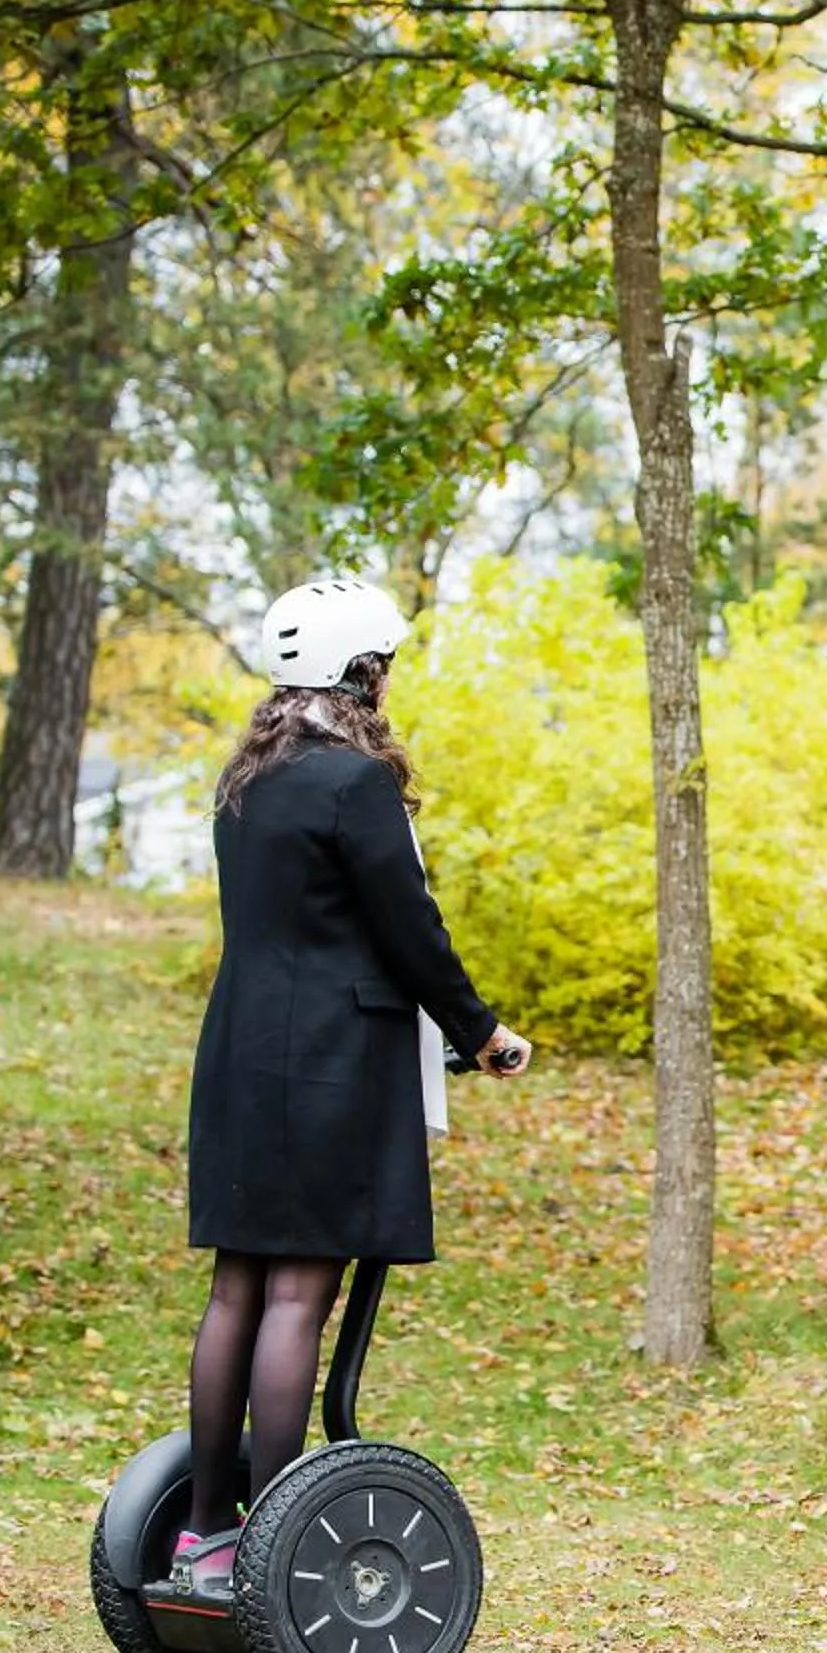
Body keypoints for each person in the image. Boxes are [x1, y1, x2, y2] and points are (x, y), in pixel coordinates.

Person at [161, 576, 529, 1600]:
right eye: (385, 664)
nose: (390, 680)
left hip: (241, 1052)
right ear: (359, 671)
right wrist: (481, 1031)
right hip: (329, 1061)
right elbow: (408, 926)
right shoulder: (352, 783)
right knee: (298, 1293)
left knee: (238, 1286)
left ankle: (207, 1534)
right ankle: (272, 1548)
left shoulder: (248, 779)